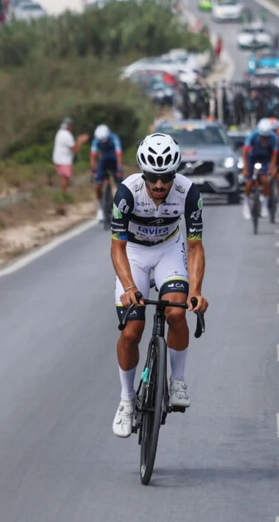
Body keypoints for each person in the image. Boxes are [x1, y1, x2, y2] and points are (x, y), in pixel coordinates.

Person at [110, 133, 209, 437]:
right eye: (153, 177)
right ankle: (126, 400)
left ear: (175, 173)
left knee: (177, 313)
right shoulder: (128, 192)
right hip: (134, 254)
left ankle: (177, 380)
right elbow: (117, 247)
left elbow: (195, 247)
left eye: (165, 177)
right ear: (144, 173)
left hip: (168, 250)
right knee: (132, 330)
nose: (159, 185)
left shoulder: (189, 192)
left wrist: (195, 291)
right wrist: (129, 287)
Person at [243, 118, 279, 220]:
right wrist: (246, 168)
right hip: (252, 157)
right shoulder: (253, 135)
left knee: (265, 180)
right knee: (249, 183)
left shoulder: (274, 137)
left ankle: (264, 205)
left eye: (266, 137)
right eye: (262, 136)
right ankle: (246, 204)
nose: (264, 139)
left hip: (265, 158)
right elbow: (245, 152)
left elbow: (274, 154)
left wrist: (272, 167)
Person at [91, 124, 124, 223]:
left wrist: (119, 169)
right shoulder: (96, 141)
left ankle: (120, 207)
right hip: (103, 161)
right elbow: (93, 156)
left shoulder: (114, 138)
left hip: (113, 160)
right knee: (98, 184)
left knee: (120, 185)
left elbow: (119, 155)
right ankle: (100, 208)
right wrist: (93, 170)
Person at [52, 117, 88, 192]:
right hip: (64, 160)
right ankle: (64, 194)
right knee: (65, 178)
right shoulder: (67, 135)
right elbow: (75, 149)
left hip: (58, 159)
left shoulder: (60, 132)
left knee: (63, 178)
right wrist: (80, 141)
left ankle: (63, 193)